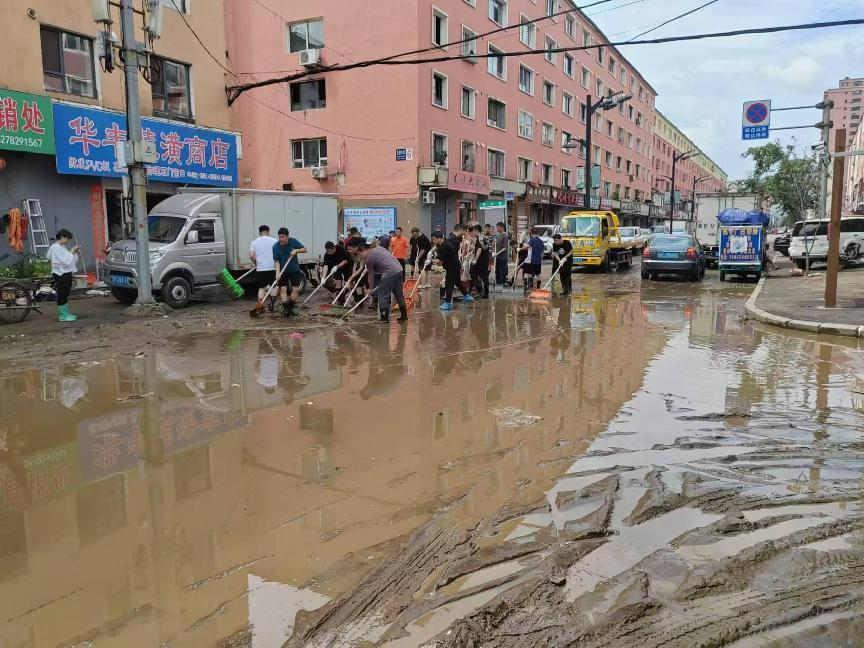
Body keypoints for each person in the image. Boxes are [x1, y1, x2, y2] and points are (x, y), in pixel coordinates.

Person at [358, 239, 408, 323]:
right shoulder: (380, 248)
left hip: (389, 273)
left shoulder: (369, 258)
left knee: (382, 294)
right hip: (399, 270)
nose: (361, 257)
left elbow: (370, 276)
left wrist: (370, 289)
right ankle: (404, 316)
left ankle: (384, 318)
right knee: (399, 295)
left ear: (363, 250)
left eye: (360, 254)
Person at [431, 230, 473, 311]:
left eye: (434, 239)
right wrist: (432, 252)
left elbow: (440, 261)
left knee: (449, 284)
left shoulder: (445, 246)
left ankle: (448, 303)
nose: (433, 241)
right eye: (433, 240)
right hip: (453, 265)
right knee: (457, 282)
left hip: (453, 267)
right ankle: (466, 296)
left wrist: (431, 261)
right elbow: (437, 251)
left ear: (439, 238)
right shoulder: (442, 243)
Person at [272, 227, 307, 317]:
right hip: (283, 270)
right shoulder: (275, 247)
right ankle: (286, 309)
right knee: (283, 289)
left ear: (287, 237)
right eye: (279, 237)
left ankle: (290, 307)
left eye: (283, 237)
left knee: (296, 289)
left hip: (294, 269)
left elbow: (304, 249)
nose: (281, 239)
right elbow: (276, 262)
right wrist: (277, 274)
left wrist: (296, 250)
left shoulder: (293, 241)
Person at [47, 229, 80, 322]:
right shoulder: (56, 247)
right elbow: (64, 260)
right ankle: (63, 315)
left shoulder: (61, 246)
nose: (67, 241)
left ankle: (66, 313)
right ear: (62, 237)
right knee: (62, 293)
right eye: (67, 238)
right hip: (60, 273)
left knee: (65, 293)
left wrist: (74, 252)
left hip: (65, 272)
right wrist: (72, 251)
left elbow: (67, 259)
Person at [249, 224, 278, 304]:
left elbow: (251, 255)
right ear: (268, 232)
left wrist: (256, 262)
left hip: (261, 268)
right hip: (272, 267)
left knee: (261, 287)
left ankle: (260, 305)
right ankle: (271, 304)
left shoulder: (254, 242)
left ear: (259, 232)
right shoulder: (274, 240)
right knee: (274, 286)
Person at [470, 224, 491, 298]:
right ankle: (486, 294)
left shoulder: (480, 238)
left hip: (480, 260)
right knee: (484, 277)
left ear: (476, 230)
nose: (473, 233)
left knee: (472, 273)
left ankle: (480, 290)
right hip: (486, 259)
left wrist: (475, 260)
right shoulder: (484, 237)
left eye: (473, 231)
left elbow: (479, 249)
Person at [494, 222, 510, 287]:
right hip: (497, 257)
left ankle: (502, 283)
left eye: (498, 227)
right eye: (497, 227)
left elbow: (505, 248)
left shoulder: (505, 236)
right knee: (497, 270)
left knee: (502, 271)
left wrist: (497, 253)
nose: (497, 229)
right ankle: (497, 282)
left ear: (502, 227)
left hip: (503, 257)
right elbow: (496, 245)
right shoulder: (498, 235)